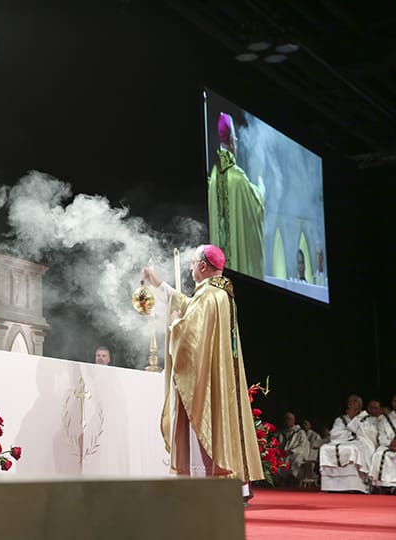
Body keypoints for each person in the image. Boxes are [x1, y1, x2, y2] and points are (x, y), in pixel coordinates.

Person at [141, 244, 263, 502]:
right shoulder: (219, 293)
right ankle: (234, 485)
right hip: (217, 375)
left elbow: (190, 336)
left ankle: (205, 483)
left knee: (202, 421)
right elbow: (188, 306)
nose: (190, 267)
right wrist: (160, 284)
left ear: (203, 266)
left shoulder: (209, 296)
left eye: (193, 263)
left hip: (205, 379)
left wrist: (175, 323)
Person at [207, 113, 265, 279]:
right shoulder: (238, 177)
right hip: (238, 273)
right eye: (236, 141)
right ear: (232, 141)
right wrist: (262, 187)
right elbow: (256, 205)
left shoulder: (213, 177)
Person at [319, 394, 377, 493]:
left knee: (353, 449)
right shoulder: (340, 419)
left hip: (362, 443)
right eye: (350, 401)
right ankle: (331, 486)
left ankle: (356, 486)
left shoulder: (369, 419)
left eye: (355, 401)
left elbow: (369, 434)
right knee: (325, 448)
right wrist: (350, 434)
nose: (352, 404)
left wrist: (354, 421)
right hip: (343, 442)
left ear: (360, 405)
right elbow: (334, 434)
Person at [369, 393, 396, 494]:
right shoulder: (386, 419)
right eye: (395, 401)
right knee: (379, 454)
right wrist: (390, 443)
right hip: (389, 445)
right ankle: (383, 486)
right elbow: (381, 436)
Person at [276, 411, 311, 484]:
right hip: (283, 454)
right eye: (286, 419)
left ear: (293, 420)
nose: (287, 421)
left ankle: (293, 478)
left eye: (289, 419)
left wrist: (291, 451)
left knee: (296, 460)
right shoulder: (280, 432)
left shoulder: (300, 432)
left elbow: (303, 445)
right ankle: (279, 480)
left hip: (295, 453)